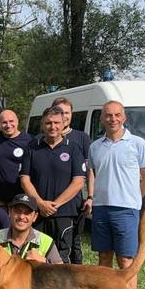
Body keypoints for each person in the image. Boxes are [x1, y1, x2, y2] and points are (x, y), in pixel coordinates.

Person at [20, 105, 86, 289]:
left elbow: (78, 181)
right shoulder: (32, 148)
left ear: (63, 124)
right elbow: (25, 179)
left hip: (62, 216)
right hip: (37, 216)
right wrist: (39, 203)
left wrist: (54, 204)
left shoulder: (74, 148)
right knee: (31, 271)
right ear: (43, 124)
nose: (52, 127)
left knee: (59, 278)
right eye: (47, 123)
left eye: (56, 123)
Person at [87, 100, 145, 289]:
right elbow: (92, 173)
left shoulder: (137, 144)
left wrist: (134, 199)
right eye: (108, 115)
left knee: (126, 259)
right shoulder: (96, 146)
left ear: (124, 117)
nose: (113, 119)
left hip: (126, 209)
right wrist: (92, 196)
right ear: (102, 118)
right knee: (104, 256)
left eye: (117, 115)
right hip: (101, 208)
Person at [51, 97, 93, 264]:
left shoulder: (81, 138)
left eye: (67, 112)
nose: (64, 116)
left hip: (75, 202)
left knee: (75, 243)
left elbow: (89, 170)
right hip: (49, 202)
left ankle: (77, 279)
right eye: (59, 112)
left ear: (71, 114)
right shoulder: (41, 138)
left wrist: (90, 196)